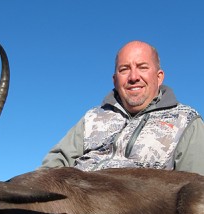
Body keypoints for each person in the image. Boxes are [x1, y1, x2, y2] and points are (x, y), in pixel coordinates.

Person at [40, 41, 204, 175]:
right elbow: (53, 165)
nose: (133, 77)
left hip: (139, 212)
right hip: (77, 205)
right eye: (124, 69)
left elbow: (196, 192)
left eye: (142, 67)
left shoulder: (186, 121)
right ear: (114, 80)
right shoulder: (93, 118)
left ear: (159, 76)